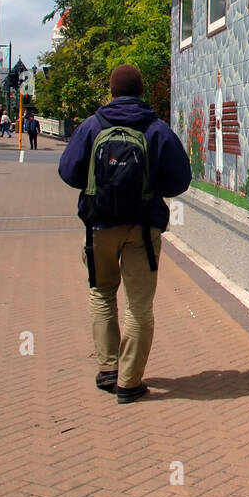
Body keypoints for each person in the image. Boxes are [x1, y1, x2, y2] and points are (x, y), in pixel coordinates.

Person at [58, 64, 191, 404]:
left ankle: (108, 368)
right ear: (141, 91)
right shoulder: (156, 129)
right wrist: (149, 187)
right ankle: (130, 382)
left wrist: (100, 185)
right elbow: (181, 179)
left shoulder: (92, 126)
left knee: (102, 294)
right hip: (143, 228)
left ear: (112, 91)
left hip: (99, 226)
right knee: (139, 305)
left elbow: (68, 171)